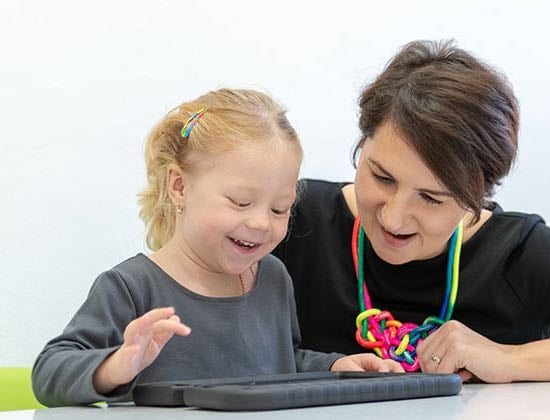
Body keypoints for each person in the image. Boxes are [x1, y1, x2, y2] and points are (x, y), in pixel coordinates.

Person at [272, 40, 550, 382]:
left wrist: (512, 360)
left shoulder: (517, 255)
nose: (393, 217)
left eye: (431, 198)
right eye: (382, 178)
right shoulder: (288, 220)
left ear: (476, 195)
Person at [32, 88, 402, 407]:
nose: (260, 222)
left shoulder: (273, 277)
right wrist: (117, 365)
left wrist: (335, 367)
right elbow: (49, 372)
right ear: (179, 187)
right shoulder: (131, 285)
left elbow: (284, 364)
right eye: (241, 202)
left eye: (279, 208)